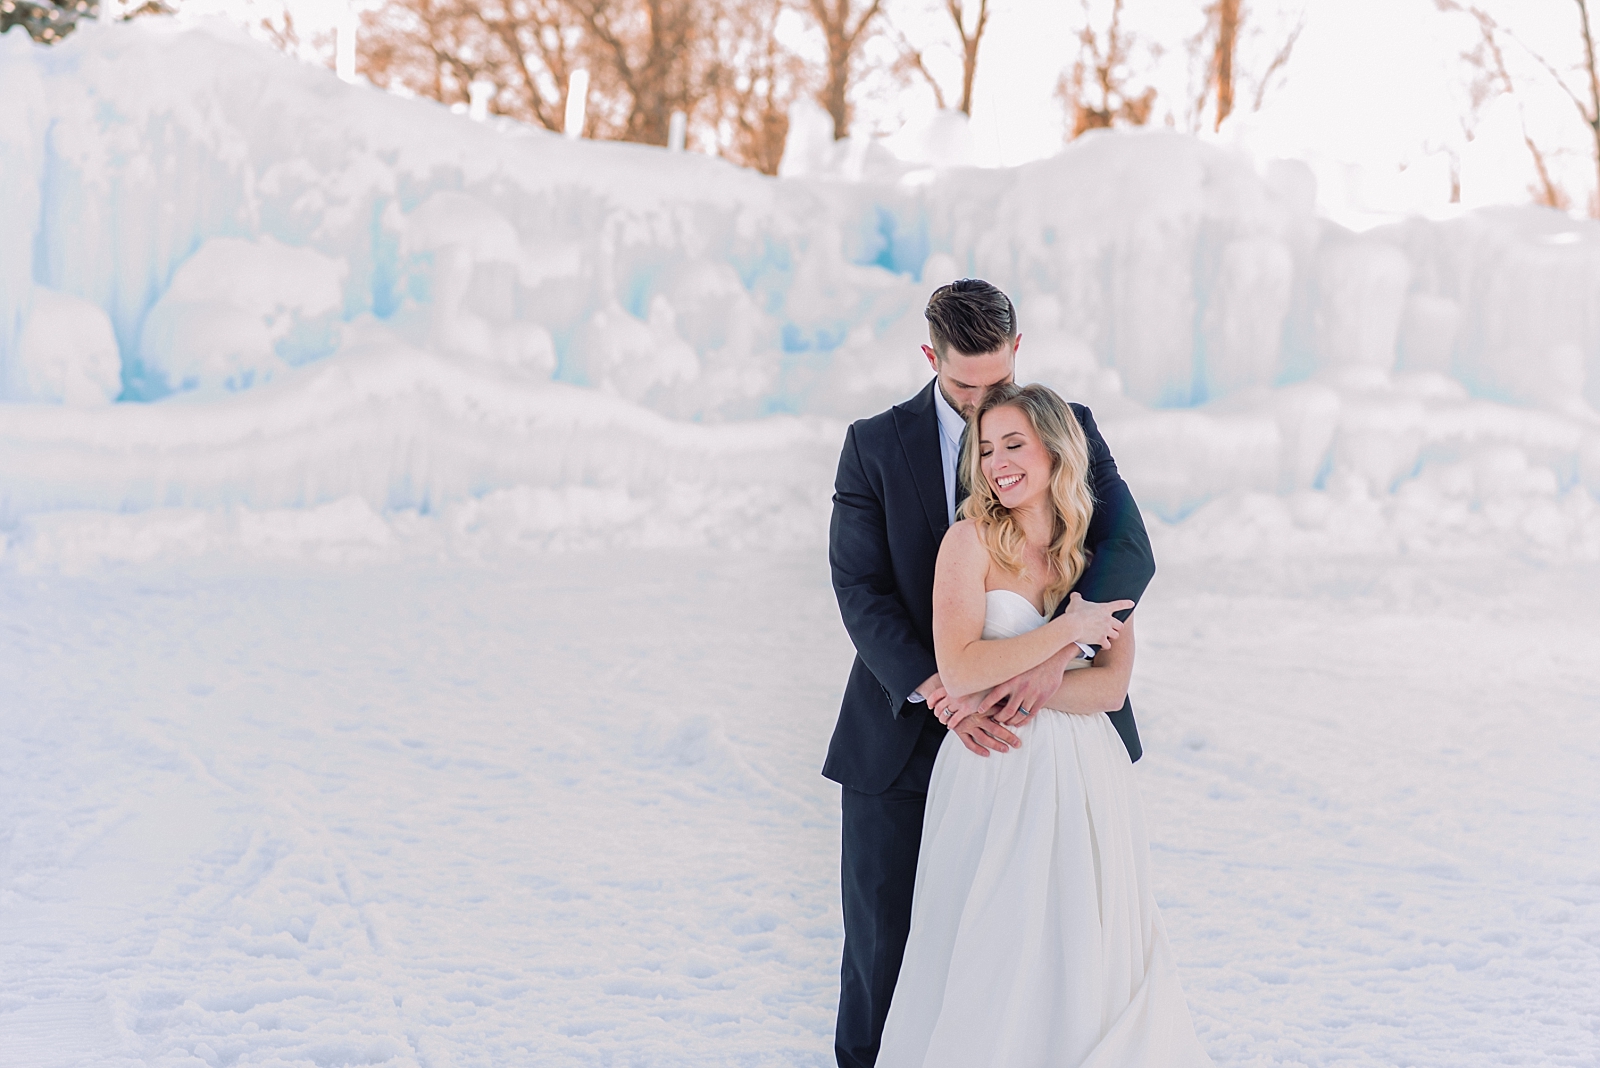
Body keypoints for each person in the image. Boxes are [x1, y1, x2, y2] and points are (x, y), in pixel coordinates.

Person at [825, 280, 1156, 1068]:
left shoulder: (1069, 426)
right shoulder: (874, 444)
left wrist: (1055, 659)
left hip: (1049, 741)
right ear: (931, 357)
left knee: (1050, 946)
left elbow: (1125, 549)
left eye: (997, 382)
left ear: (1019, 352)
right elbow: (860, 588)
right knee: (887, 943)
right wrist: (945, 688)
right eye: (964, 387)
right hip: (904, 731)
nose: (983, 410)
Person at [875, 382, 1212, 1067]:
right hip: (994, 772)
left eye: (1014, 445)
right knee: (993, 941)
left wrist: (1031, 679)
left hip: (1088, 778)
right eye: (986, 449)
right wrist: (1066, 633)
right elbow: (959, 668)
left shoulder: (1089, 553)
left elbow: (1111, 687)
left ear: (1055, 452)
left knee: (1083, 943)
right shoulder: (968, 543)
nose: (996, 463)